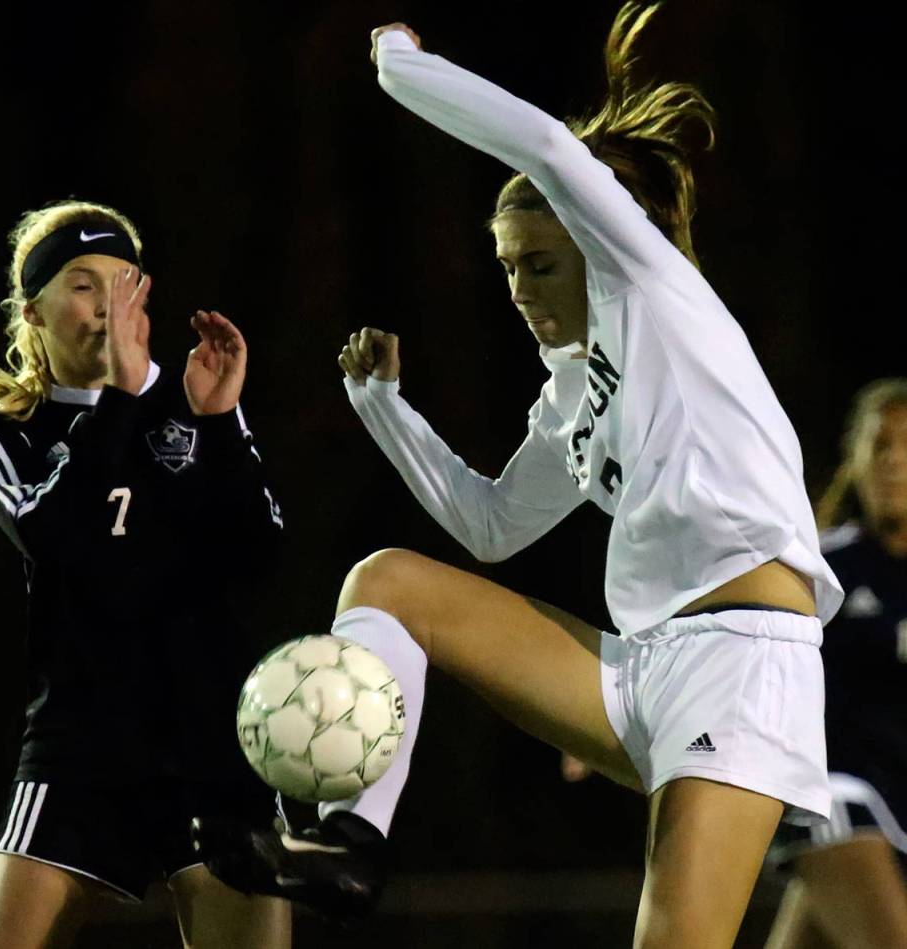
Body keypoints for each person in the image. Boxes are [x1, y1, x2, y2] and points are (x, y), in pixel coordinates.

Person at [194, 6, 843, 946]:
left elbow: (541, 141)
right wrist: (384, 406)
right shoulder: (577, 391)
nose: (520, 288)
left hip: (742, 665)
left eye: (539, 262)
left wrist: (397, 64)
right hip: (640, 669)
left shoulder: (653, 292)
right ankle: (350, 842)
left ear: (597, 240)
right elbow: (492, 527)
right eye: (506, 268)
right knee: (389, 581)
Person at [0, 199, 290, 949]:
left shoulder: (195, 396)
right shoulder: (3, 423)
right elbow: (54, 537)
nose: (106, 307)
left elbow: (259, 554)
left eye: (121, 283)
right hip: (81, 745)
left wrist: (222, 422)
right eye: (81, 284)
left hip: (211, 739)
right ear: (32, 310)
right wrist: (120, 402)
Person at [764, 379, 907, 949]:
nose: (894, 461)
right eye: (881, 446)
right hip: (829, 795)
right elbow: (722, 626)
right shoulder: (822, 568)